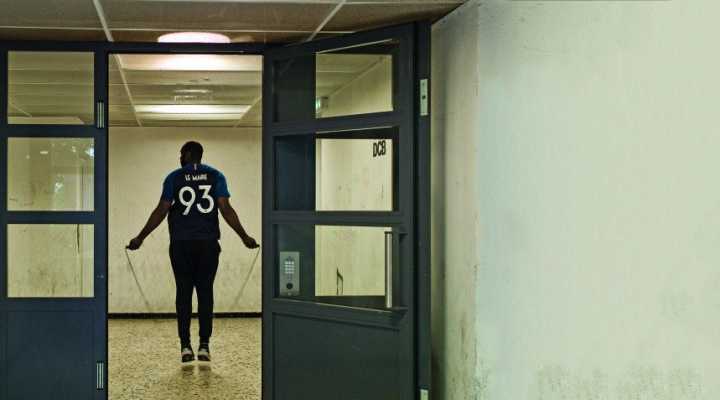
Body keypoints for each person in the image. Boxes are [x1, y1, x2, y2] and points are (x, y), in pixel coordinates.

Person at [127, 141, 259, 363]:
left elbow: (161, 210)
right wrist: (244, 237)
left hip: (181, 244)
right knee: (205, 293)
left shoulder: (174, 178)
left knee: (183, 293)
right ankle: (204, 346)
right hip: (208, 244)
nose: (180, 157)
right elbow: (225, 208)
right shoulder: (216, 176)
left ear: (188, 154)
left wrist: (140, 237)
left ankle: (185, 346)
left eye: (181, 154)